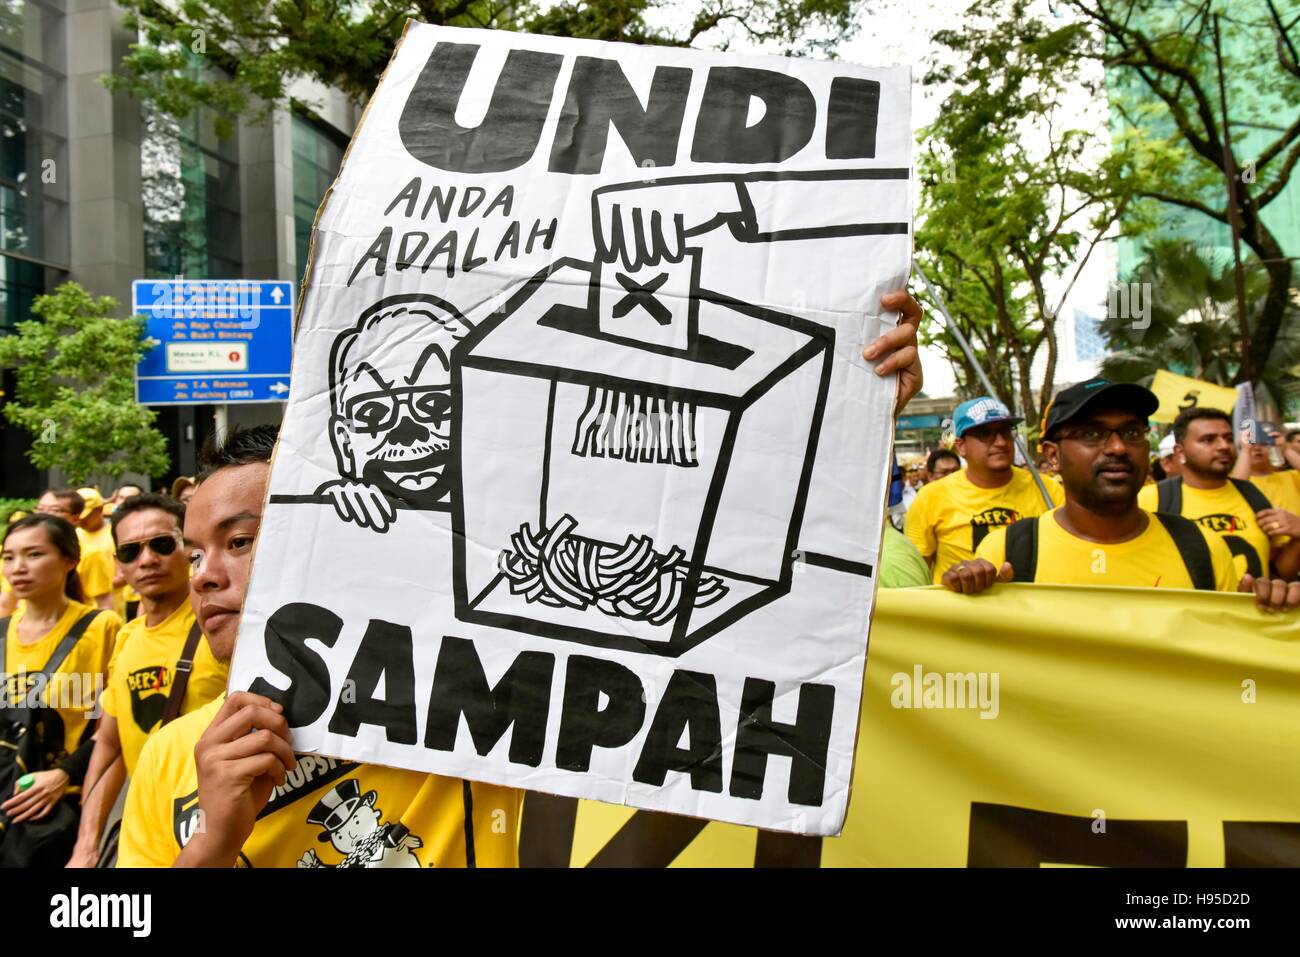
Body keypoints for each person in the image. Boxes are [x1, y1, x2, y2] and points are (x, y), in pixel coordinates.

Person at [117, 426, 523, 867]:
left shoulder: (478, 696)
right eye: (194, 554)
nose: (202, 575)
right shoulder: (167, 755)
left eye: (240, 542)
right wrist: (212, 840)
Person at [940, 379, 1300, 611]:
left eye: (1131, 433)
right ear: (1052, 455)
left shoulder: (1202, 548)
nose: (1117, 448)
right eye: (1092, 435)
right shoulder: (1008, 553)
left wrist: (1274, 612)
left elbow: (1231, 663)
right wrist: (963, 594)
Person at [66, 493, 228, 868]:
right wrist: (87, 844)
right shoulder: (127, 637)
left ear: (188, 549)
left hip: (216, 823)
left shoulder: (222, 627)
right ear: (118, 564)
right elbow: (109, 745)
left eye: (162, 544)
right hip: (150, 827)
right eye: (130, 551)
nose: (147, 559)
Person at [0, 515, 122, 863]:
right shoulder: (1, 632)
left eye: (34, 554)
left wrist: (63, 774)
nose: (18, 568)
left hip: (64, 807)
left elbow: (113, 730)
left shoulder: (102, 628)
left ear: (69, 560)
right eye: (9, 557)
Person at [905, 396, 1062, 583]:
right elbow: (916, 574)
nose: (1001, 442)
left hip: (1033, 608)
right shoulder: (930, 497)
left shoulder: (1048, 489)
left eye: (1006, 432)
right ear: (961, 446)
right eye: (985, 434)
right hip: (961, 610)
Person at [1138, 408, 1300, 581]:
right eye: (1208, 440)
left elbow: (1276, 572)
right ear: (1180, 452)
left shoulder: (1253, 495)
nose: (1223, 446)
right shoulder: (1152, 499)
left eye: (1228, 438)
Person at [37, 489, 114, 613]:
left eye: (55, 510)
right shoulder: (21, 550)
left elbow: (104, 602)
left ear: (75, 518)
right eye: (40, 509)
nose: (44, 515)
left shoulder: (89, 554)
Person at [75, 488, 127, 617]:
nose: (81, 520)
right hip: (79, 609)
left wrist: (93, 586)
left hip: (111, 607)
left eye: (86, 516)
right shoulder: (74, 535)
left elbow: (124, 576)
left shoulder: (116, 535)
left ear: (99, 509)